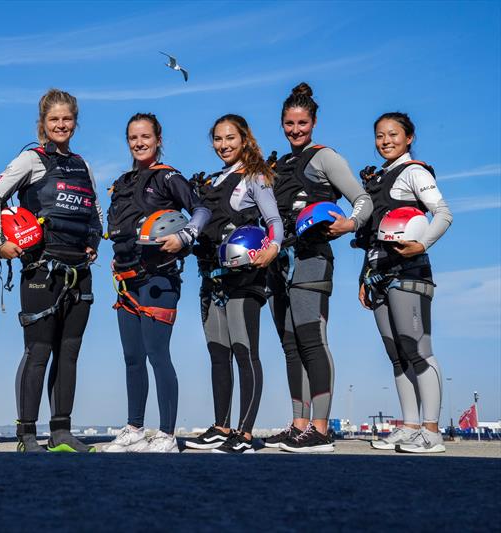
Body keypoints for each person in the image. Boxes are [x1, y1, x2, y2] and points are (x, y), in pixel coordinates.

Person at [0, 89, 103, 453]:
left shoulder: (83, 164)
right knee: (38, 351)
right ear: (43, 124)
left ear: (75, 122)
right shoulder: (30, 160)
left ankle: (62, 431)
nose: (61, 125)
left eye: (67, 119)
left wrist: (93, 241)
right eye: (54, 120)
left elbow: (94, 211)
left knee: (70, 351)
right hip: (41, 270)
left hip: (79, 272)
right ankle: (27, 434)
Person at [263, 83, 372, 452]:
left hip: (312, 261)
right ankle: (298, 425)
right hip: (281, 264)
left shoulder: (325, 157)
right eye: (290, 124)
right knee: (290, 346)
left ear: (313, 122)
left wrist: (350, 224)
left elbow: (363, 200)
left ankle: (321, 429)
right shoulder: (277, 166)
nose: (296, 130)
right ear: (281, 124)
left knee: (312, 340)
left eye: (302, 123)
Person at [104, 113, 210, 453]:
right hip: (125, 282)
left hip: (159, 280)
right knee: (132, 357)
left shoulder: (168, 178)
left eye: (145, 136)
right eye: (133, 137)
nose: (139, 143)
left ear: (158, 139)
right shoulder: (122, 182)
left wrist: (184, 237)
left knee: (157, 355)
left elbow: (201, 210)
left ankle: (166, 434)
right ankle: (135, 427)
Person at [184, 114, 282, 454]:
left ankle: (244, 433)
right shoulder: (213, 181)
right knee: (217, 354)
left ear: (244, 139)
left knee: (244, 352)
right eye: (218, 139)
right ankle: (221, 426)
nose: (224, 145)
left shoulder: (255, 176)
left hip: (245, 278)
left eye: (230, 138)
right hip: (212, 279)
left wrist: (273, 247)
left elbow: (273, 221)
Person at [356, 112, 452, 453]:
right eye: (380, 135)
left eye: (393, 134)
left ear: (409, 137)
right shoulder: (379, 177)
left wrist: (421, 244)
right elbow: (371, 237)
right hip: (379, 275)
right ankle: (410, 427)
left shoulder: (414, 171)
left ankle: (432, 431)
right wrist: (364, 277)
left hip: (409, 273)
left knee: (418, 350)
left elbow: (443, 213)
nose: (386, 141)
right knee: (397, 355)